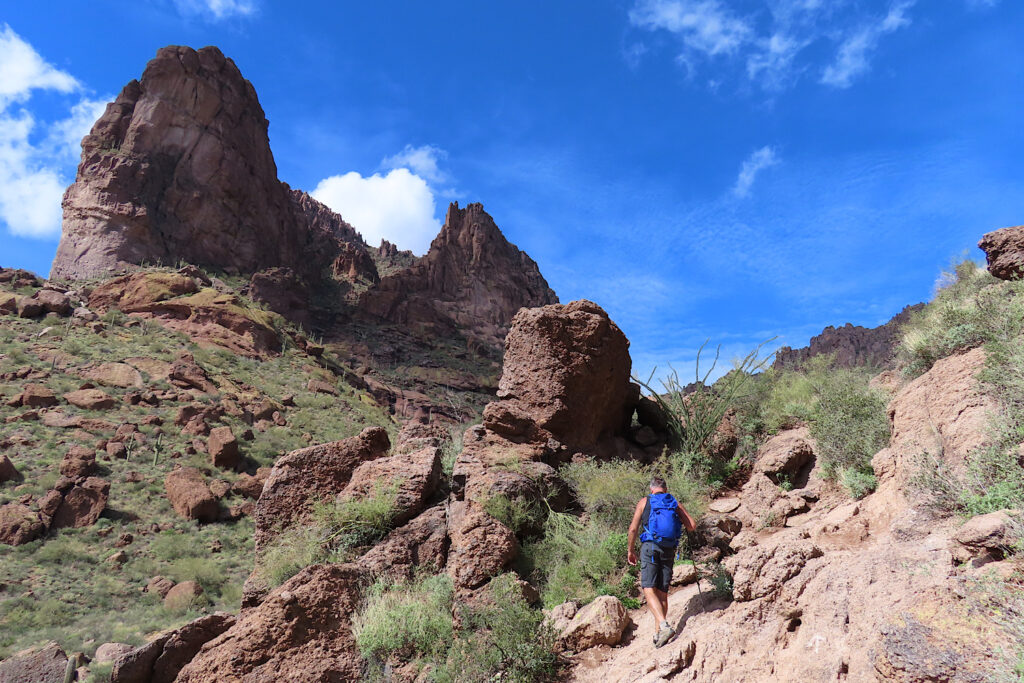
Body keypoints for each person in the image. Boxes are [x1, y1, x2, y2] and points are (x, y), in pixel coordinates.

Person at [627, 476, 697, 648]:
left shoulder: (645, 501)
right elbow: (692, 525)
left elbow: (633, 528)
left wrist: (630, 550)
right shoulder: (673, 501)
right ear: (665, 489)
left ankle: (663, 626)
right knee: (662, 592)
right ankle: (659, 634)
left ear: (652, 489)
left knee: (648, 588)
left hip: (650, 547)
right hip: (668, 549)